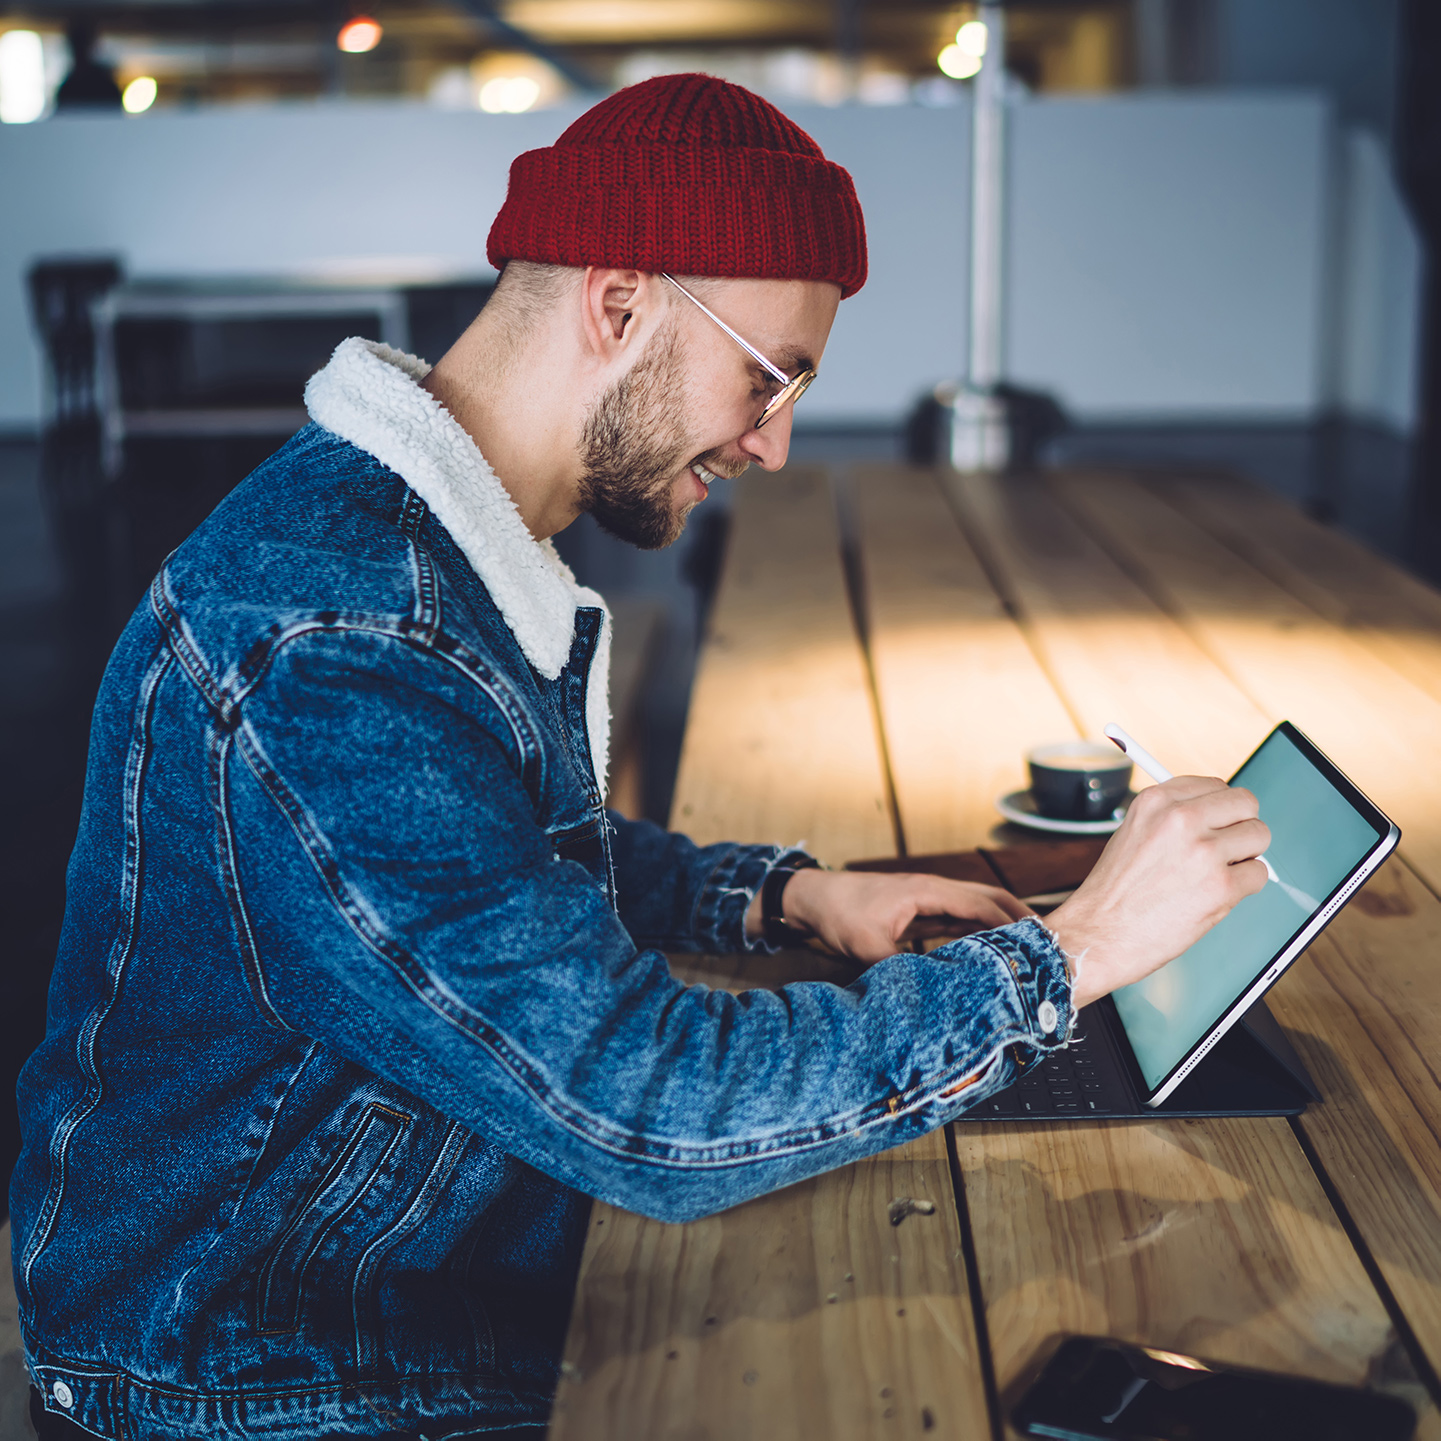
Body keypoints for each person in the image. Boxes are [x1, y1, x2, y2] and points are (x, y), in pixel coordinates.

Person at [12, 74, 1269, 1441]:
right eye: (766, 375)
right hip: (258, 1354)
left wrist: (783, 899)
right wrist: (1070, 953)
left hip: (387, 1266)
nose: (775, 442)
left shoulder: (424, 546)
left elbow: (490, 861)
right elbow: (643, 1114)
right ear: (619, 304)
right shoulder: (338, 639)